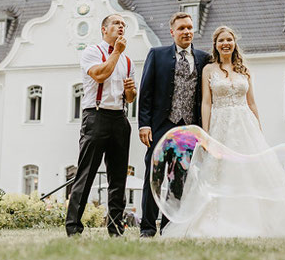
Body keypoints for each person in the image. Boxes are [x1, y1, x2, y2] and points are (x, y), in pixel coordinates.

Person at [162, 26, 285, 239]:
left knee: (249, 172)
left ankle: (255, 222)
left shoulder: (244, 71)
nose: (225, 43)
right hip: (220, 124)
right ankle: (215, 221)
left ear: (234, 42)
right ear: (216, 45)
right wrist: (206, 133)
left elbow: (252, 103)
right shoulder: (209, 70)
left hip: (244, 124)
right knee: (219, 171)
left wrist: (258, 129)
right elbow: (206, 102)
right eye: (221, 40)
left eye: (229, 39)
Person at [137, 12, 211, 236]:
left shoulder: (203, 58)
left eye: (189, 27)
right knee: (154, 176)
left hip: (189, 128)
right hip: (160, 125)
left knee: (180, 178)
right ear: (172, 32)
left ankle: (169, 229)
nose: (186, 31)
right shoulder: (157, 55)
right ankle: (147, 228)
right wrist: (144, 124)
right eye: (181, 28)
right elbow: (146, 91)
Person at [65, 13, 137, 236]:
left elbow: (131, 97)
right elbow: (99, 75)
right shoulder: (91, 52)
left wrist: (130, 90)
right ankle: (74, 227)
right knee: (86, 173)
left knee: (118, 177)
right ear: (104, 29)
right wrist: (116, 51)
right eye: (116, 23)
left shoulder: (127, 61)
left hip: (119, 118)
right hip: (95, 117)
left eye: (124, 25)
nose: (121, 27)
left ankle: (116, 228)